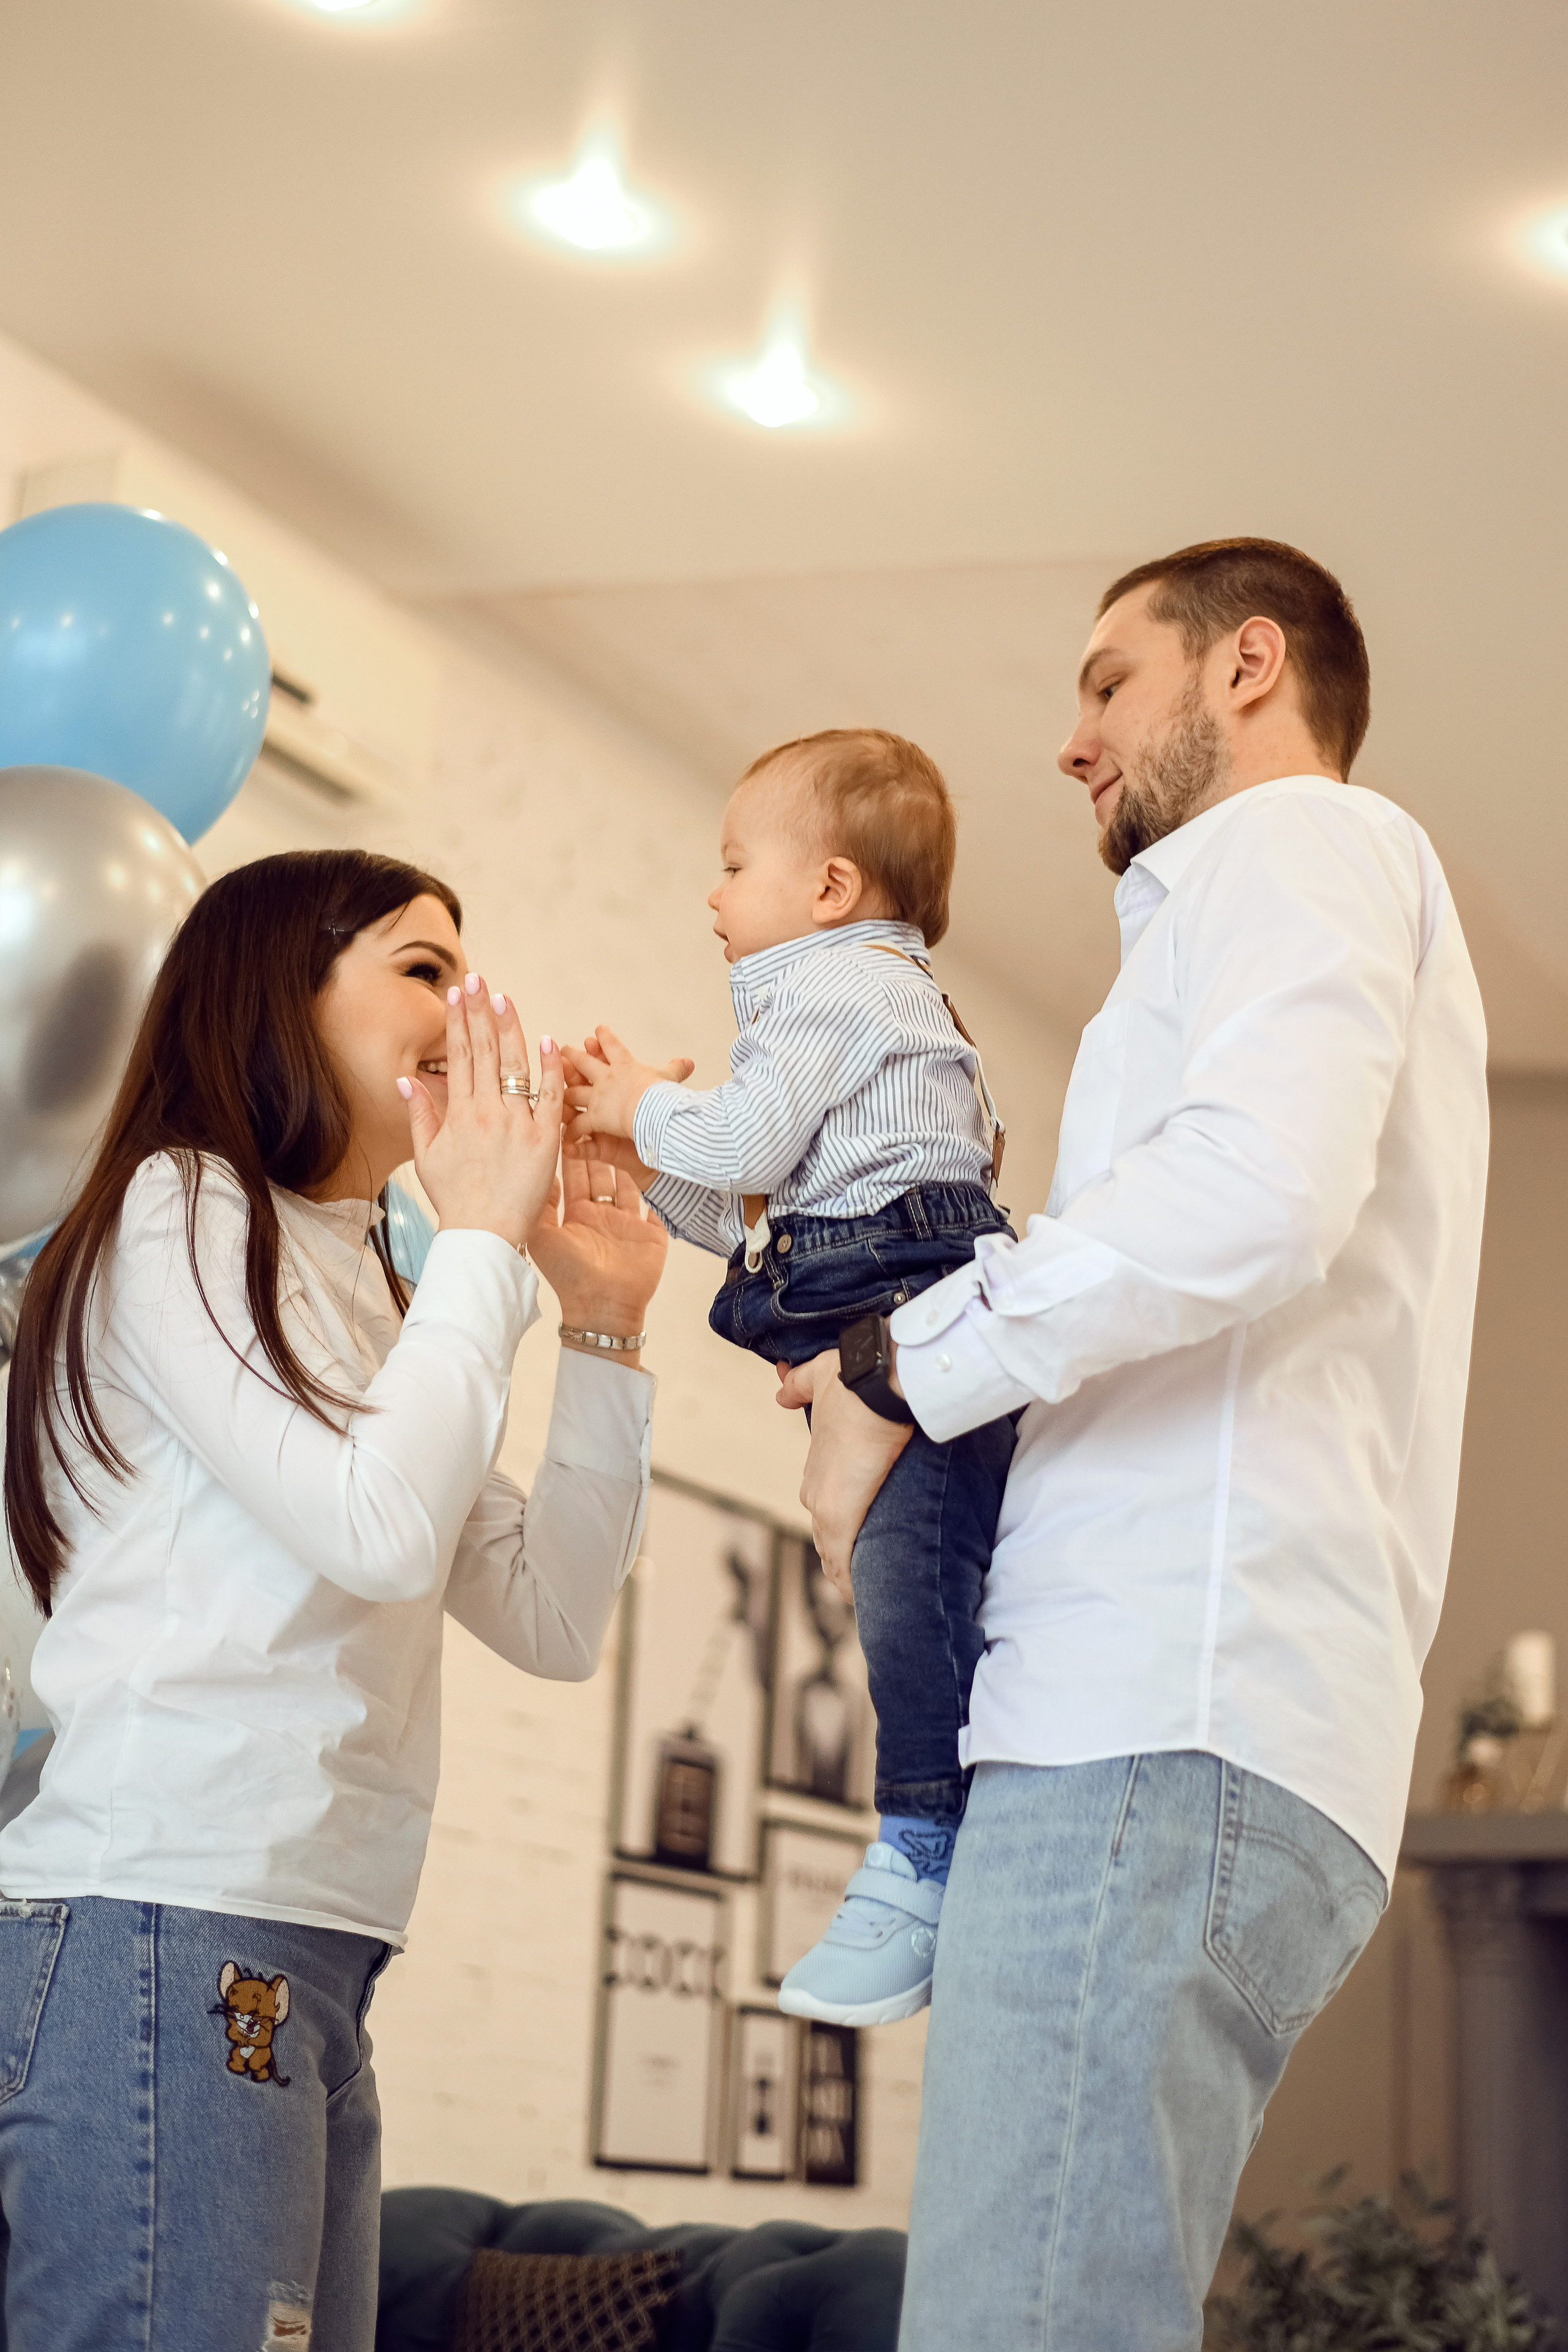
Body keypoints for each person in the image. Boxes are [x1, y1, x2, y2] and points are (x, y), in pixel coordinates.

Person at [778, 540, 1490, 2349]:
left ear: (1247, 665)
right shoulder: (1269, 907)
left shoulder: (1299, 840)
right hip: (1188, 1730)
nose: (1072, 738)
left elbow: (1255, 1195)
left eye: (1109, 682)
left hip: (1156, 1722)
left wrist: (900, 1369)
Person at [0, 849, 671, 2352]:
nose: (468, 1008)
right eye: (422, 967)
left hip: (320, 1943)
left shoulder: (380, 1283)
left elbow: (553, 1617)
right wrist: (482, 1240)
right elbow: (378, 1531)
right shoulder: (179, 1209)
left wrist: (604, 1323)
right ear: (279, 995)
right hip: (167, 1918)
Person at [562, 729, 1016, 2027]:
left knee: (908, 1588)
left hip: (905, 1289)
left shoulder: (845, 986)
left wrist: (640, 1104)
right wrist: (639, 1160)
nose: (710, 894)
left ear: (828, 888)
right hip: (861, 1278)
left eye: (731, 865)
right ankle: (934, 1833)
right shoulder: (850, 1002)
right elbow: (752, 1215)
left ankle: (922, 1842)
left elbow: (746, 1144)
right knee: (908, 1580)